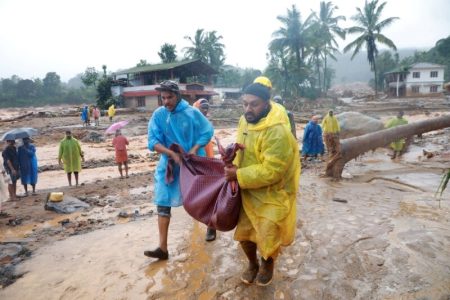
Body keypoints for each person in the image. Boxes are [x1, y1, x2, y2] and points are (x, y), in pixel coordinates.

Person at [224, 83, 300, 286]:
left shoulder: (277, 132)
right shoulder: (244, 121)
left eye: (254, 104)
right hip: (247, 189)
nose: (248, 109)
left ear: (267, 103)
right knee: (245, 234)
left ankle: (267, 264)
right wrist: (231, 152)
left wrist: (238, 175)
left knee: (268, 234)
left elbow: (273, 171)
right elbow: (242, 147)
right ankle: (252, 264)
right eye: (245, 104)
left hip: (273, 192)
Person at [145, 80, 213, 260]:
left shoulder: (192, 113)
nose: (166, 101)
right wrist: (171, 154)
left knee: (200, 197)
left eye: (169, 97)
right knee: (163, 200)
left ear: (178, 96)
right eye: (163, 98)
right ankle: (163, 248)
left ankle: (211, 224)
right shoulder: (158, 115)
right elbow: (152, 141)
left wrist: (191, 150)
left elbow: (207, 132)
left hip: (192, 163)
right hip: (169, 165)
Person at [193, 98, 216, 241]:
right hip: (195, 162)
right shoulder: (191, 123)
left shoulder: (208, 123)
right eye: (203, 107)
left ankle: (211, 227)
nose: (205, 110)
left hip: (209, 161)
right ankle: (197, 224)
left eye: (207, 107)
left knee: (209, 195)